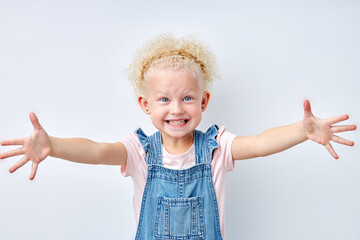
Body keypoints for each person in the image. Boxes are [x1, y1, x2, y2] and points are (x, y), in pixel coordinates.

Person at [0, 33, 356, 239]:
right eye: (164, 99)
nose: (177, 109)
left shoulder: (217, 147)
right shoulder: (138, 150)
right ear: (145, 104)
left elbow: (260, 144)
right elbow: (96, 151)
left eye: (187, 98)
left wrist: (301, 130)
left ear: (203, 101)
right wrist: (54, 146)